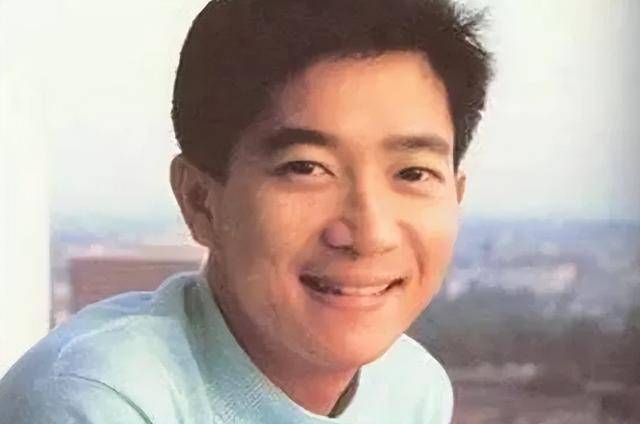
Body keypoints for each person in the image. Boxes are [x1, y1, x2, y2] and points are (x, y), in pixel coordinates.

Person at [0, 0, 492, 422]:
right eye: (306, 168)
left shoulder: (412, 388)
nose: (370, 233)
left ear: (456, 195)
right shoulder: (98, 401)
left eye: (413, 173)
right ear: (200, 201)